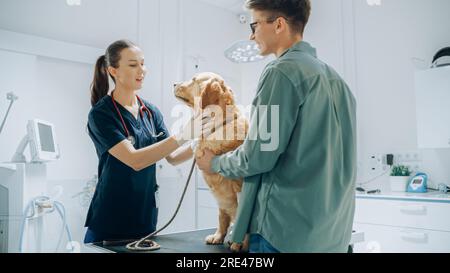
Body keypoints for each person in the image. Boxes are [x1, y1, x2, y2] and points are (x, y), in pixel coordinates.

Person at [196, 0, 357, 253]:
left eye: (254, 24)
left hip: (285, 234)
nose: (251, 35)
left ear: (279, 24)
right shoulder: (338, 82)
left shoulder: (281, 72)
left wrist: (214, 163)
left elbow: (258, 156)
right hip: (333, 235)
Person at [84, 39, 212, 243]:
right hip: (109, 223)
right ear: (113, 71)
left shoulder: (150, 112)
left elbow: (172, 157)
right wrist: (185, 134)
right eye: (133, 65)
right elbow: (135, 160)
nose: (142, 70)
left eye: (143, 63)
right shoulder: (101, 114)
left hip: (145, 221)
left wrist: (203, 140)